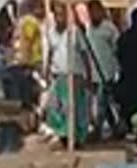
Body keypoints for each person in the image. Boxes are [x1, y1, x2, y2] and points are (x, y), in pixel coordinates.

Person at [45, 1, 90, 145]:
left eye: (62, 15)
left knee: (74, 108)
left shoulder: (75, 32)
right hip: (58, 74)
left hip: (74, 74)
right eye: (57, 15)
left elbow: (84, 54)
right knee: (56, 107)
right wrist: (46, 71)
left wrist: (88, 74)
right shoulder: (51, 32)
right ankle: (63, 133)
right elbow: (51, 53)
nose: (59, 18)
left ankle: (76, 137)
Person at [83, 0, 121, 141]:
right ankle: (116, 127)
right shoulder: (89, 29)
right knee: (104, 103)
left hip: (107, 71)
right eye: (90, 11)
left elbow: (117, 49)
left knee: (101, 103)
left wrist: (117, 69)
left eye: (95, 11)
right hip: (93, 72)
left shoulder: (109, 28)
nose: (93, 14)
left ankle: (98, 131)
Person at [11, 0, 45, 108]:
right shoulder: (29, 22)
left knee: (30, 92)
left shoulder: (29, 22)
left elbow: (27, 43)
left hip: (32, 61)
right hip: (32, 61)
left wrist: (23, 61)